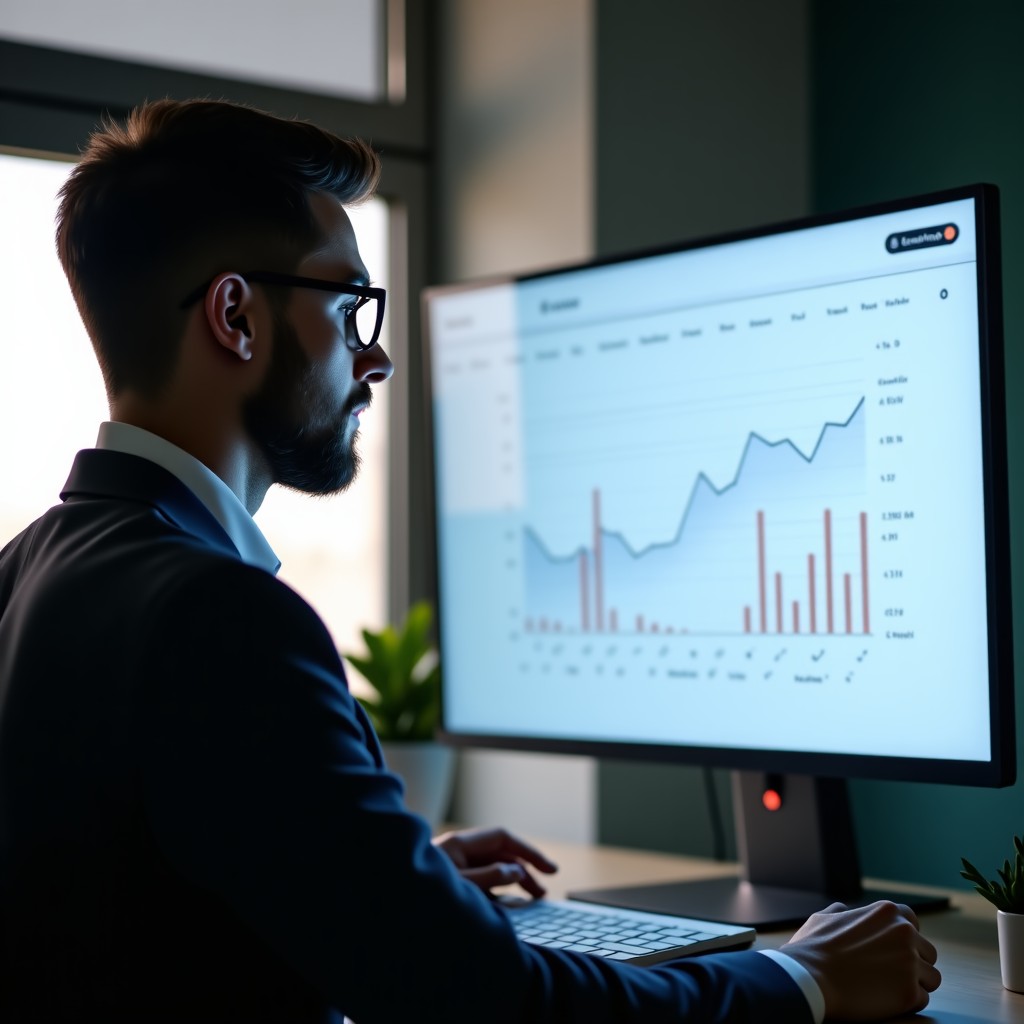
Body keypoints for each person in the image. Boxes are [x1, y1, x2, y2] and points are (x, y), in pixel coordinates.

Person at [0, 98, 939, 1023]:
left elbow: (119, 908)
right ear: (236, 317)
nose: (377, 362)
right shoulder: (219, 615)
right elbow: (496, 1007)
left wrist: (371, 880)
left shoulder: (28, 571)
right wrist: (803, 981)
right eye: (350, 306)